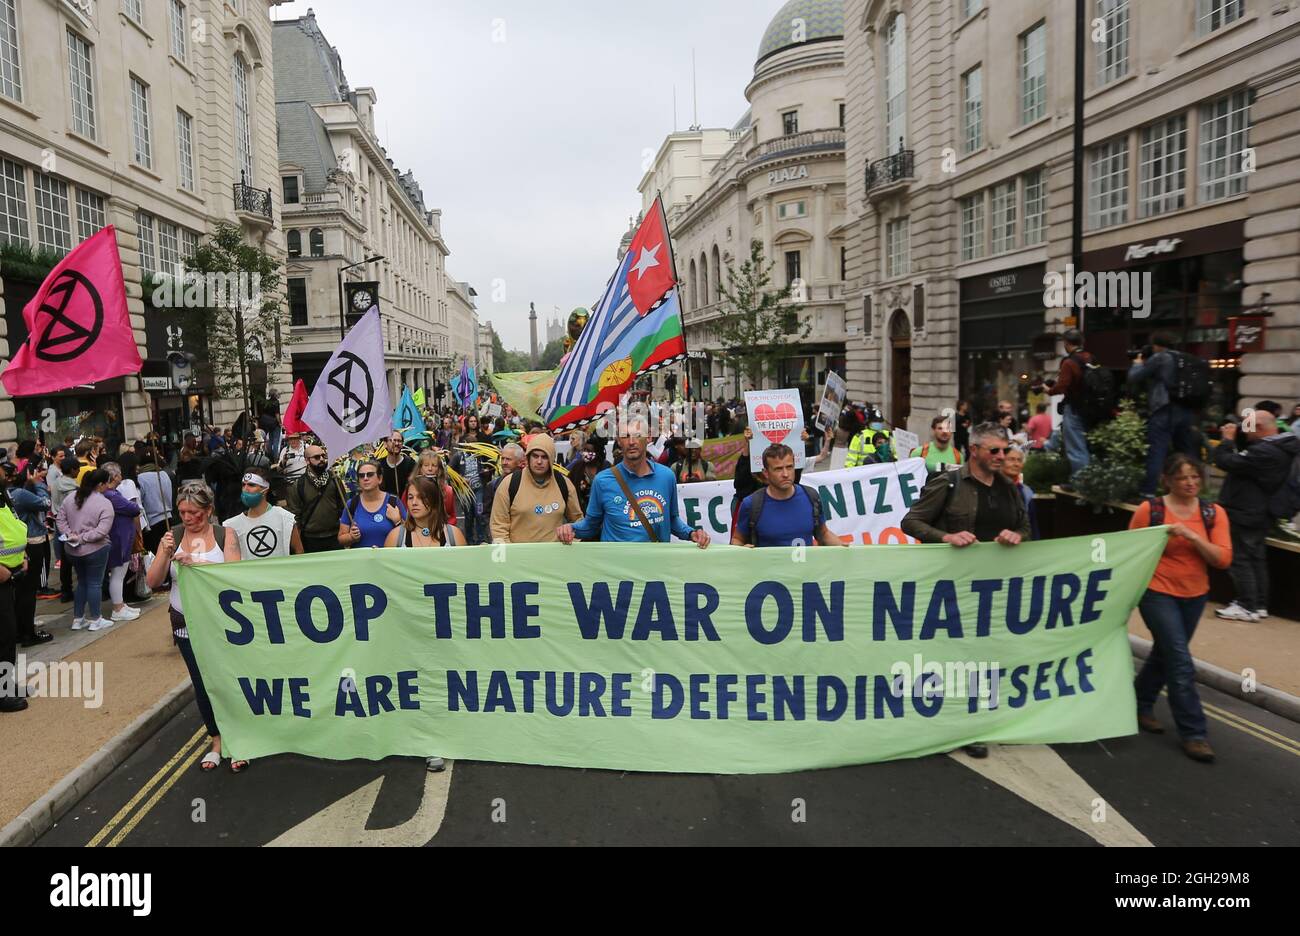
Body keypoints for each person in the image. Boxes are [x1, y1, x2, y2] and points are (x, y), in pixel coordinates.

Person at [901, 423, 1030, 759]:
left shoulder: (1009, 488)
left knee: (984, 656)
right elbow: (911, 522)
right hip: (951, 589)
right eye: (995, 451)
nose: (1003, 457)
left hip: (995, 588)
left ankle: (975, 723)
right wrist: (947, 537)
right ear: (974, 451)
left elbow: (1024, 525)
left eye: (1005, 450)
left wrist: (1017, 535)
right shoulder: (949, 483)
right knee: (952, 656)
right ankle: (939, 718)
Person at [1128, 454, 1232, 763]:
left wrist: (1192, 536)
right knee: (1180, 661)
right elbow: (1130, 550)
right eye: (1182, 477)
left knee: (1165, 653)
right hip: (1156, 591)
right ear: (1168, 480)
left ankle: (1138, 703)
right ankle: (1194, 733)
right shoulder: (1152, 510)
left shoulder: (1213, 513)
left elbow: (1222, 559)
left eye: (1195, 477)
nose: (1190, 483)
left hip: (1195, 594)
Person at [145, 481, 247, 772]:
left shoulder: (224, 535)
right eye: (182, 512)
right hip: (185, 623)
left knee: (228, 679)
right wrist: (165, 553)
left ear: (209, 510)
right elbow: (152, 583)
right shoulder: (172, 536)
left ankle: (240, 738)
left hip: (222, 623)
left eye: (194, 513)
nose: (188, 518)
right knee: (202, 683)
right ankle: (217, 739)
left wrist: (197, 562)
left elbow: (235, 576)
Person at [557, 419, 709, 548]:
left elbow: (672, 519)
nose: (631, 442)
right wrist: (571, 529)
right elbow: (591, 525)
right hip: (618, 574)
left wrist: (691, 533)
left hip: (655, 571)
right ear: (618, 441)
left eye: (638, 435)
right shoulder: (603, 481)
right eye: (625, 436)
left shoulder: (666, 476)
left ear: (648, 438)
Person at [1212, 413, 1299, 621]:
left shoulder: (1265, 452)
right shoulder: (1281, 448)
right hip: (1260, 511)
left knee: (1241, 558)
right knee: (1256, 559)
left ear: (1259, 426)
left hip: (1246, 512)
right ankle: (1259, 605)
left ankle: (1246, 605)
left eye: (1247, 426)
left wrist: (1227, 440)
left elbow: (1226, 461)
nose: (1244, 430)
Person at [1128, 332, 1200, 497]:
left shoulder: (1160, 357)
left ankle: (1148, 492)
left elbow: (1134, 377)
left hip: (1165, 410)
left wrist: (1138, 363)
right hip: (1185, 410)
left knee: (1157, 451)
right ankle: (1193, 489)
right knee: (1186, 452)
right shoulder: (1185, 358)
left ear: (1156, 345)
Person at [732, 444, 843, 548]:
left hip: (806, 568)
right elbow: (737, 539)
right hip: (767, 568)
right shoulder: (751, 504)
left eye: (789, 467)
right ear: (766, 473)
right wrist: (742, 550)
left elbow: (823, 534)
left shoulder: (811, 496)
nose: (785, 474)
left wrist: (844, 549)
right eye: (778, 469)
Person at [490, 434, 583, 544]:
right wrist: (509, 554)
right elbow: (498, 526)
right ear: (528, 457)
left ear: (551, 459)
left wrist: (572, 540)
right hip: (519, 558)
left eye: (544, 457)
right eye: (535, 456)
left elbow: (577, 521)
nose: (539, 461)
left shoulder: (564, 484)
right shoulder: (509, 484)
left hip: (554, 558)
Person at [55, 469, 115, 632]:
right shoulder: (104, 503)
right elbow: (101, 531)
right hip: (95, 548)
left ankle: (78, 618)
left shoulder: (70, 498)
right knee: (95, 583)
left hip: (72, 550)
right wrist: (81, 537)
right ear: (101, 484)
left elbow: (59, 519)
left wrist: (70, 534)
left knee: (82, 582)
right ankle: (96, 619)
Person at [10, 462, 53, 646]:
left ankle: (20, 630)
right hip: (31, 541)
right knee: (28, 590)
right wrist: (38, 484)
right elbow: (46, 503)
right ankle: (28, 633)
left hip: (17, 546)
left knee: (20, 591)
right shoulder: (20, 493)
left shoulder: (9, 494)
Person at [0, 480, 32, 711]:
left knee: (8, 636)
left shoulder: (4, 496)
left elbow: (15, 527)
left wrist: (24, 556)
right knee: (2, 636)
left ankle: (6, 684)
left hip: (10, 575)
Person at [100, 462, 143, 622]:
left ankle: (121, 604)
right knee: (118, 574)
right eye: (118, 474)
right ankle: (117, 608)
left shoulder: (112, 493)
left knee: (120, 574)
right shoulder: (111, 495)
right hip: (118, 538)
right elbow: (133, 508)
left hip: (121, 536)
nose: (121, 476)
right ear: (114, 476)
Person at [225, 471, 303, 559]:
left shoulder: (284, 518)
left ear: (265, 489)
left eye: (251, 485)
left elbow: (299, 551)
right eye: (243, 485)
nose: (245, 489)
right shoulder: (233, 525)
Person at [285, 444, 345, 554]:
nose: (321, 459)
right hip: (310, 540)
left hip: (334, 537)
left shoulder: (335, 481)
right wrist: (298, 547)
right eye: (317, 457)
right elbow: (295, 517)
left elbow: (343, 507)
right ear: (307, 461)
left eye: (323, 456)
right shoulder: (298, 485)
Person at [339, 460, 407, 549]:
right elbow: (341, 538)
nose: (365, 478)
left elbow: (409, 533)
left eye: (370, 474)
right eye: (361, 476)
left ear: (380, 478)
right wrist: (351, 537)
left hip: (388, 560)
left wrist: (398, 521)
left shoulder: (393, 502)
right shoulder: (352, 504)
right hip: (360, 560)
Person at [50, 453, 80, 602]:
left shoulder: (56, 484)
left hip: (60, 525)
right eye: (78, 469)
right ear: (73, 470)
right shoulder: (74, 489)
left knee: (65, 562)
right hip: (73, 525)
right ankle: (82, 587)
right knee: (80, 557)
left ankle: (66, 590)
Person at [137, 443, 175, 561]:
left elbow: (140, 503)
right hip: (168, 518)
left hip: (152, 524)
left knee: (155, 556)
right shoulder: (164, 475)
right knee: (168, 552)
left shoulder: (140, 479)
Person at [1000, 447, 1039, 541]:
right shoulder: (989, 487)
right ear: (1000, 462)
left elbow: (1032, 524)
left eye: (1019, 460)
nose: (1016, 464)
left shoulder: (1026, 491)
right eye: (1011, 459)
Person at [412, 449, 459, 526]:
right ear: (420, 468)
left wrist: (445, 528)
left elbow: (452, 517)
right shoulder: (412, 490)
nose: (430, 469)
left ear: (439, 469)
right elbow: (406, 514)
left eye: (434, 465)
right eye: (426, 465)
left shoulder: (448, 491)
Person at [380, 431, 416, 499]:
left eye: (399, 441)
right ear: (385, 444)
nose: (396, 443)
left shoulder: (411, 464)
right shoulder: (379, 465)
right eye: (392, 440)